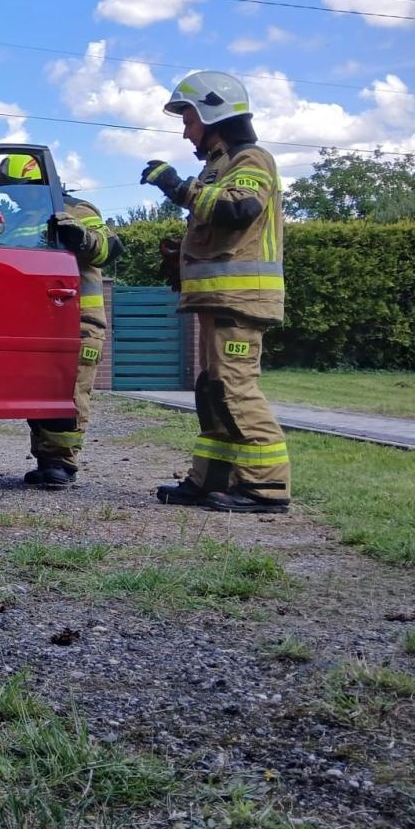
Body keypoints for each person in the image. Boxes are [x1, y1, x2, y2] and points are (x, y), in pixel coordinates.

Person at [142, 71, 289, 514]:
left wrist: (177, 187)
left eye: (189, 120)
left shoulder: (251, 159)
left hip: (240, 302)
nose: (186, 132)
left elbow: (239, 208)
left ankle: (266, 487)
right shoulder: (220, 166)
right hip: (220, 301)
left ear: (213, 115)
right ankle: (210, 480)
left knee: (234, 388)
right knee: (213, 391)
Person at [24, 180, 123, 486]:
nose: (15, 199)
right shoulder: (26, 217)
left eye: (19, 190)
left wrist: (82, 238)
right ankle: (47, 459)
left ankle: (63, 462)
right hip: (43, 322)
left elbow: (110, 247)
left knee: (72, 391)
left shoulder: (77, 210)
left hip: (81, 321)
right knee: (41, 392)